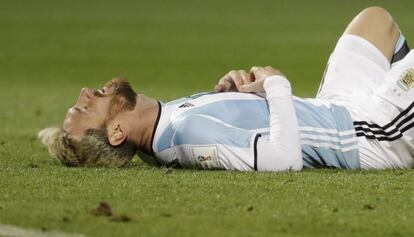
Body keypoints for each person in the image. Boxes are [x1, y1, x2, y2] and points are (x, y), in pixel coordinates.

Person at [39, 7, 414, 171]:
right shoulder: (184, 135)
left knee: (375, 21)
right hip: (371, 135)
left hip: (337, 108)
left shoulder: (162, 128)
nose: (86, 92)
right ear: (117, 132)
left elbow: (229, 131)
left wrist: (231, 94)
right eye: (84, 109)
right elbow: (284, 161)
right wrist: (277, 87)